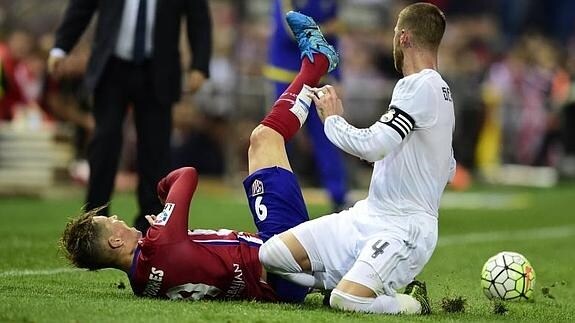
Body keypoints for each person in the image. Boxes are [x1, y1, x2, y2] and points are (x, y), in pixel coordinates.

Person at [60, 11, 339, 303]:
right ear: (115, 240)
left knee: (261, 143)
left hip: (275, 284)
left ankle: (336, 275)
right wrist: (163, 193)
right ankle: (316, 63)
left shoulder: (140, 283)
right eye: (110, 222)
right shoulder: (160, 242)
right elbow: (186, 175)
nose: (116, 218)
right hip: (283, 257)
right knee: (264, 137)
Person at [259, 3, 455, 315]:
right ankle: (341, 278)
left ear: (404, 38)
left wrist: (333, 121)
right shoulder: (440, 91)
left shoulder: (418, 85)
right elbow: (449, 167)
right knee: (272, 254)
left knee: (348, 301)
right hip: (367, 215)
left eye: (394, 33)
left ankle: (413, 304)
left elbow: (375, 145)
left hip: (402, 229)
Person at [47, 0, 212, 234]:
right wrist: (60, 47)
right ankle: (94, 218)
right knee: (104, 140)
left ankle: (150, 224)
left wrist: (200, 65)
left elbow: (198, 17)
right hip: (111, 67)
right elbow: (82, 6)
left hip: (159, 70)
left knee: (155, 150)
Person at [264, 0, 349, 211]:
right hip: (287, 75)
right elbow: (289, 30)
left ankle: (338, 195)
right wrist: (325, 29)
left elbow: (334, 40)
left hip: (320, 75)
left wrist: (337, 76)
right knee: (279, 136)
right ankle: (273, 197)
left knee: (327, 132)